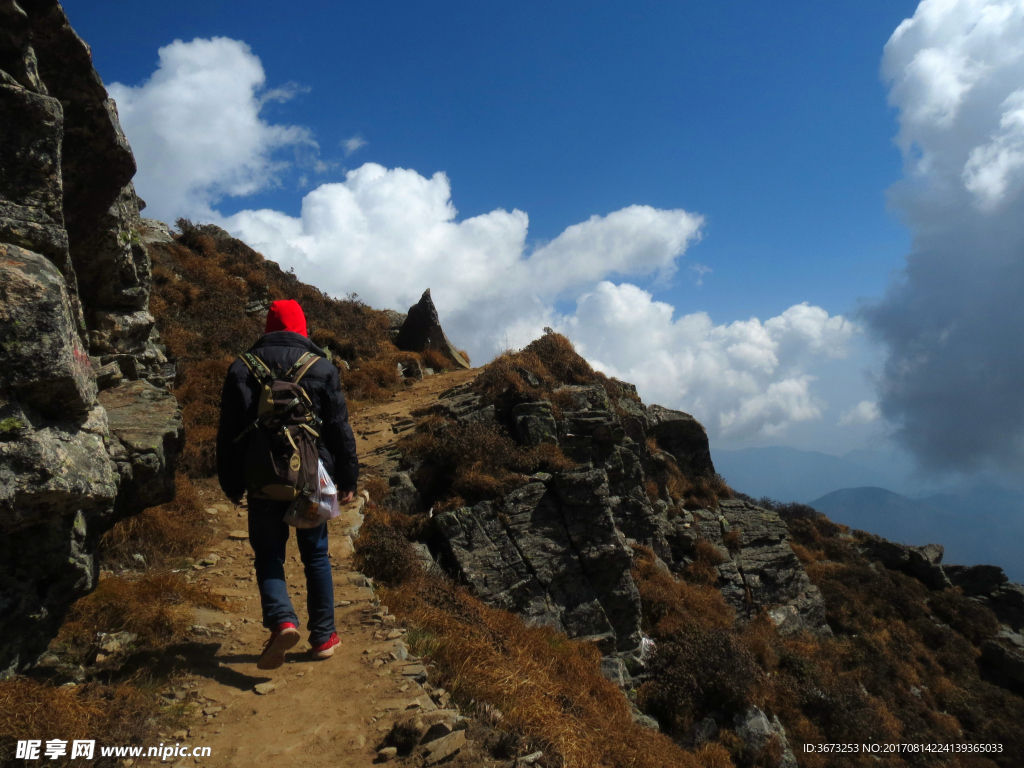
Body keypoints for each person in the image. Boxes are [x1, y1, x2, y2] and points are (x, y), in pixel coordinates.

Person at [217, 299, 358, 670]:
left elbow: (227, 434)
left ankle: (282, 621)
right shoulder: (321, 367)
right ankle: (324, 637)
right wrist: (347, 478)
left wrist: (231, 483)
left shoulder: (241, 368)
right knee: (315, 556)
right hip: (311, 478)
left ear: (268, 328)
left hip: (262, 479)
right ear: (301, 329)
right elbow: (340, 429)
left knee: (268, 556)